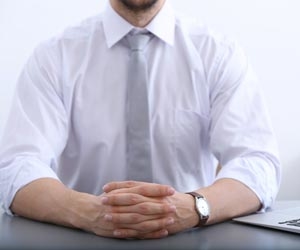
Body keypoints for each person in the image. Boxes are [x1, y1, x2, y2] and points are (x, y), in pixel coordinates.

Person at [0, 0, 281, 239]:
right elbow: (17, 167)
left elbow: (258, 163)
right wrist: (90, 212)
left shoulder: (218, 54)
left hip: (194, 238)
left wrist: (192, 207)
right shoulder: (54, 57)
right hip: (82, 238)